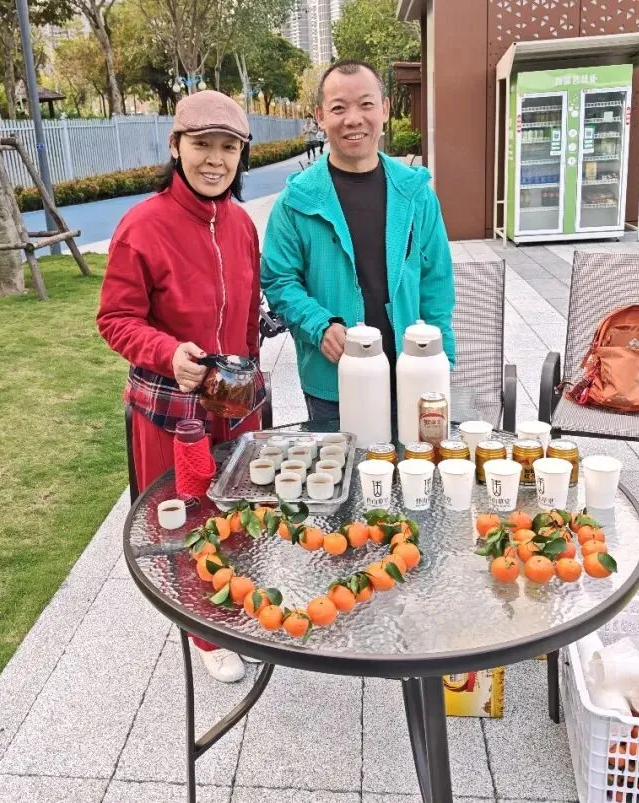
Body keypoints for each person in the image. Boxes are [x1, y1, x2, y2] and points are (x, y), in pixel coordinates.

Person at [98, 90, 261, 684]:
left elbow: (248, 315)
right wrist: (167, 352)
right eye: (201, 145)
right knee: (188, 518)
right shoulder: (141, 226)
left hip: (235, 404)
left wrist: (251, 370)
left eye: (228, 148)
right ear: (175, 146)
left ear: (241, 155)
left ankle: (240, 605)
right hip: (173, 410)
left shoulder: (242, 224)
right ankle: (204, 630)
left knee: (241, 506)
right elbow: (115, 319)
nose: (215, 160)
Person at [261, 60, 455, 424]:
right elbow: (279, 281)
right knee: (343, 461)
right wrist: (319, 326)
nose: (353, 119)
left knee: (417, 461)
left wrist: (443, 362)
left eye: (366, 105)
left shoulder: (416, 195)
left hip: (412, 373)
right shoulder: (295, 202)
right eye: (338, 108)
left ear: (384, 109)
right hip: (334, 381)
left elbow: (437, 286)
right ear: (320, 116)